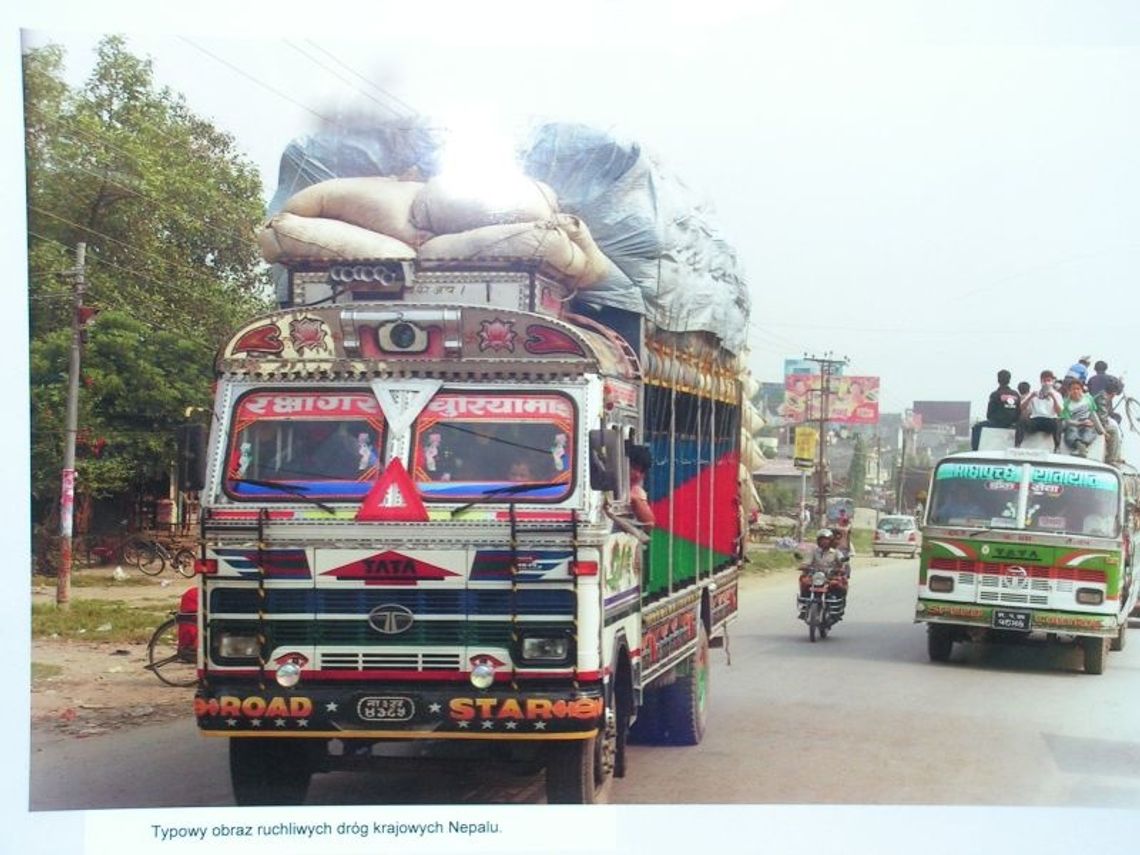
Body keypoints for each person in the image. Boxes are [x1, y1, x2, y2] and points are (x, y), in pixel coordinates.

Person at [971, 369, 1021, 450]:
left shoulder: (995, 394)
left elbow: (989, 414)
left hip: (998, 423)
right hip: (1012, 423)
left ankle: (975, 451)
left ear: (998, 380)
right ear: (1009, 380)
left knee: (976, 427)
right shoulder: (1016, 394)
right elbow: (1019, 411)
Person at [1015, 370, 1062, 452]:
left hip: (1049, 420)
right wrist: (1031, 397)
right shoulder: (1034, 393)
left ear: (1052, 381)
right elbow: (1022, 408)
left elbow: (1059, 412)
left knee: (1058, 422)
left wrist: (1053, 397)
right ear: (1041, 381)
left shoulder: (1057, 395)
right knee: (1021, 420)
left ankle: (1057, 447)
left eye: (1049, 380)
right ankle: (1017, 445)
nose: (1047, 383)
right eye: (1044, 380)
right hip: (1036, 419)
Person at [1087, 361, 1124, 463]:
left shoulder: (1091, 379)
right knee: (1115, 427)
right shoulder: (1110, 379)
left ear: (1095, 369)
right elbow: (1119, 389)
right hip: (1102, 413)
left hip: (1094, 409)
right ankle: (1113, 457)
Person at [1061, 380, 1104, 457]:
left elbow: (1093, 414)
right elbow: (1066, 420)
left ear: (1081, 390)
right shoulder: (1066, 403)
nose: (1076, 391)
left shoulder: (1088, 398)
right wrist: (1079, 423)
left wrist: (1102, 430)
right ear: (1069, 391)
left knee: (1089, 431)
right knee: (1071, 431)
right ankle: (1079, 446)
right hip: (1074, 423)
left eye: (1078, 389)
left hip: (1087, 422)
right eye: (1073, 389)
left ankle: (1082, 447)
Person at [628, 446, 655, 529]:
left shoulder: (638, 492)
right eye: (634, 468)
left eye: (642, 471)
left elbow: (649, 523)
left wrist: (636, 500)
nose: (637, 475)